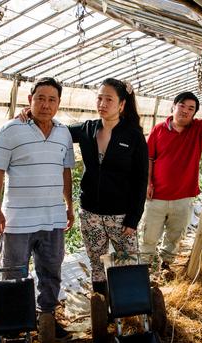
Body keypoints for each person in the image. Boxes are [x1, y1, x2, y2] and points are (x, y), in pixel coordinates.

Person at [19, 78, 148, 295]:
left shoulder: (133, 135)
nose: (102, 104)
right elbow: (55, 128)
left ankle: (131, 307)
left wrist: (134, 217)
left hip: (121, 215)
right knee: (97, 263)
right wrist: (30, 112)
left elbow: (141, 179)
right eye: (99, 98)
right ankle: (101, 304)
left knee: (128, 262)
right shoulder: (87, 129)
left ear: (122, 104)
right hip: (91, 214)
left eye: (109, 99)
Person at [0, 77, 75, 341]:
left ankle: (47, 320)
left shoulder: (64, 133)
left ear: (58, 103)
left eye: (52, 100)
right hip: (17, 220)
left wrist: (69, 206)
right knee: (13, 274)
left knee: (51, 272)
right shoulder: (10, 130)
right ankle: (13, 329)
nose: (45, 105)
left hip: (53, 219)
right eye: (40, 98)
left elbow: (66, 171)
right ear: (30, 100)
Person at [140, 91, 202, 271]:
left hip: (183, 196)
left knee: (175, 235)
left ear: (194, 113)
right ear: (174, 106)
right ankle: (147, 267)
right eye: (182, 106)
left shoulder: (197, 128)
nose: (185, 111)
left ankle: (166, 265)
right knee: (149, 234)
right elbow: (148, 158)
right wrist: (148, 183)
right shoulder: (158, 130)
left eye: (191, 108)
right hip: (157, 195)